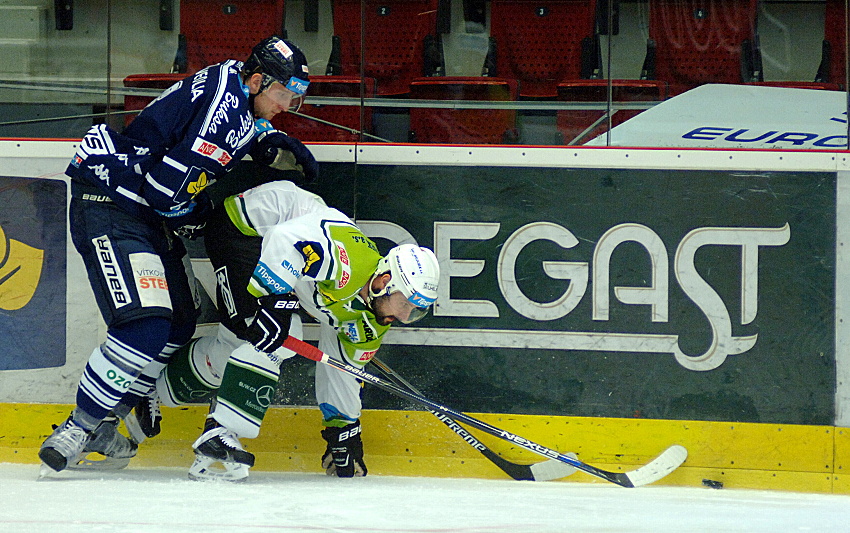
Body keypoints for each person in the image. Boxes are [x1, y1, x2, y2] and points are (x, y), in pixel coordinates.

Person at [39, 36, 320, 474]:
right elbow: (166, 195)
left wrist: (263, 136)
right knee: (147, 326)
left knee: (180, 321)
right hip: (112, 203)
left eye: (293, 98)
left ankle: (119, 407)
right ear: (258, 81)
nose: (287, 106)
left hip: (142, 208)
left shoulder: (234, 75)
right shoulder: (225, 119)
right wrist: (204, 215)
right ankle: (81, 427)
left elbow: (208, 125)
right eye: (283, 94)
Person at [146, 180, 439, 481]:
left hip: (276, 255)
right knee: (278, 335)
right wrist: (275, 300)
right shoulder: (346, 258)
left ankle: (153, 391)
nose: (404, 316)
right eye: (405, 303)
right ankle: (220, 431)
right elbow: (284, 238)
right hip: (245, 229)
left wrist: (344, 429)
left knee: (238, 347)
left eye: (415, 310)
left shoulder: (373, 321)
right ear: (384, 281)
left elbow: (342, 369)